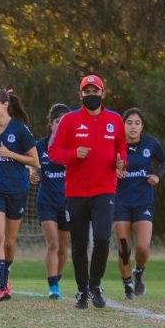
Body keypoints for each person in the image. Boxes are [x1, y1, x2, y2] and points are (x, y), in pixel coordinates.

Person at [48, 74, 126, 310]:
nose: (91, 95)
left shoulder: (115, 120)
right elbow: (53, 152)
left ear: (103, 93)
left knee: (102, 238)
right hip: (76, 191)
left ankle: (95, 285)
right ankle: (82, 290)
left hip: (105, 189)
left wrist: (122, 163)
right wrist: (73, 154)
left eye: (96, 91)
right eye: (87, 91)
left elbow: (121, 148)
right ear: (80, 94)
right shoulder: (69, 121)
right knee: (79, 244)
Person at [0, 89, 38, 302]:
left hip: (17, 190)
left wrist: (10, 154)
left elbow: (34, 161)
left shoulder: (20, 130)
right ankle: (0, 285)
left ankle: (5, 272)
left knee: (10, 241)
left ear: (5, 105)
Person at [114, 108, 165, 299]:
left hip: (143, 201)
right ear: (123, 125)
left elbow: (164, 161)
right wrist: (113, 171)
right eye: (129, 123)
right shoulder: (115, 145)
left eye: (137, 123)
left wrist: (157, 176)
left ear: (142, 126)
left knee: (143, 247)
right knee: (124, 248)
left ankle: (138, 272)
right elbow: (103, 165)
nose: (133, 127)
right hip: (120, 202)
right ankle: (127, 285)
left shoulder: (151, 144)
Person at [29, 103, 71, 299]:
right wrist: (33, 174)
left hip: (69, 203)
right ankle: (53, 287)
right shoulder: (40, 146)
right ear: (50, 124)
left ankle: (57, 277)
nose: (60, 125)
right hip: (46, 201)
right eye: (57, 122)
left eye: (64, 122)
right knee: (53, 244)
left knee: (63, 248)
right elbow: (32, 166)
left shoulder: (74, 148)